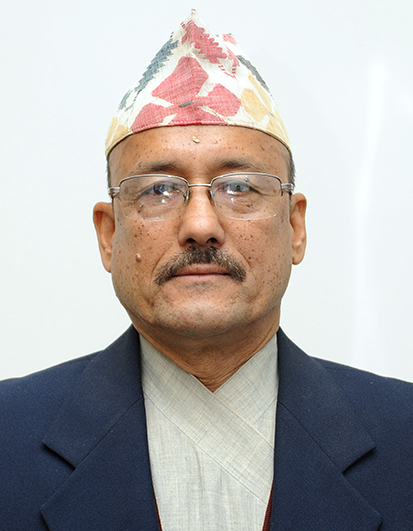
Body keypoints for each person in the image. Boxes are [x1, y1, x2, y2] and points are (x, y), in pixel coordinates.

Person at [1, 10, 413, 531]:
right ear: (108, 234)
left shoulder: (404, 438)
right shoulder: (8, 438)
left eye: (239, 186)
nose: (200, 225)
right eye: (158, 190)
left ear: (295, 227)